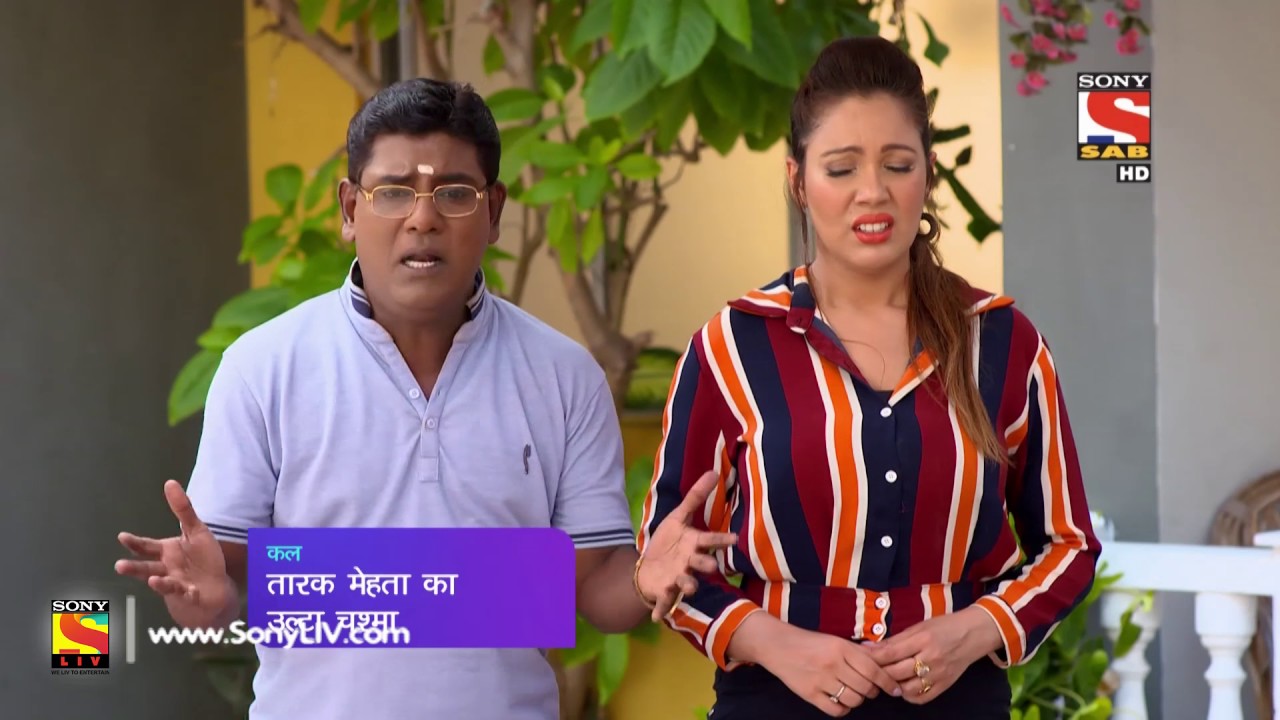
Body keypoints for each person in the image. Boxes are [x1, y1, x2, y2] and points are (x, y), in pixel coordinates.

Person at [113, 77, 735, 720]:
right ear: (350, 210)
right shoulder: (264, 367)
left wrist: (645, 578)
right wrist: (202, 599)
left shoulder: (563, 375)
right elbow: (219, 584)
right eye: (393, 192)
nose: (422, 218)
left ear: (494, 211)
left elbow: (597, 588)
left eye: (455, 193)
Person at [636, 36, 1100, 719]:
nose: (873, 192)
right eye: (841, 168)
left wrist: (976, 629)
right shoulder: (732, 346)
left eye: (898, 164)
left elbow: (1069, 545)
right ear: (798, 180)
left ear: (928, 174)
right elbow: (669, 555)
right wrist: (776, 644)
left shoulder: (1003, 343)